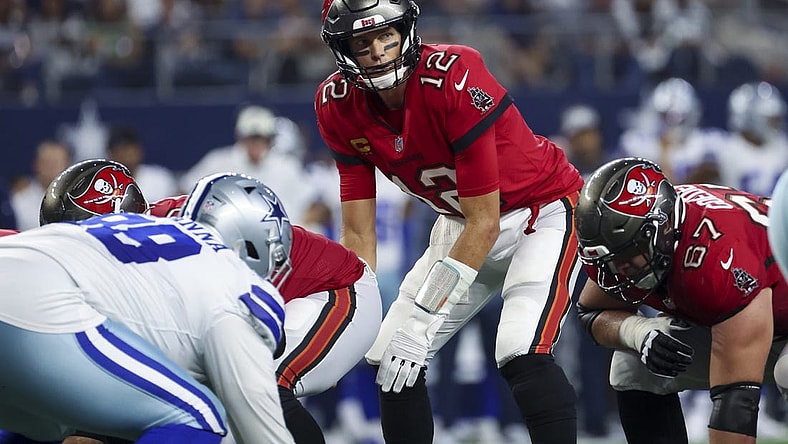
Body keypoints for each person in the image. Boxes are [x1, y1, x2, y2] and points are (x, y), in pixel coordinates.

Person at [317, 1, 585, 442]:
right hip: (460, 222)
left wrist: (422, 319)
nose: (380, 51)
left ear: (406, 30)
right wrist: (350, 310)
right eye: (363, 42)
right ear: (342, 48)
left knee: (521, 351)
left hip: (542, 211)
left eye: (387, 35)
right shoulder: (337, 105)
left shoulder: (454, 74)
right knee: (391, 359)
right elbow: (359, 233)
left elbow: (487, 222)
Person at [42, 160, 383, 444]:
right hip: (264, 302)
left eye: (78, 238)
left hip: (335, 290)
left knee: (256, 383)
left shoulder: (178, 243)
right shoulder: (127, 257)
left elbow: (244, 315)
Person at [0, 173, 295, 443]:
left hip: (20, 275)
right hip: (39, 301)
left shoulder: (158, 235)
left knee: (48, 427)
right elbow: (263, 429)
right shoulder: (240, 287)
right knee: (198, 416)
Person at [574, 156, 788, 444]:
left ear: (660, 230)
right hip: (759, 317)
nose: (619, 270)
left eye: (627, 255)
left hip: (764, 310)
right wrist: (639, 332)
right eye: (612, 259)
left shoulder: (718, 258)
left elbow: (736, 400)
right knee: (633, 365)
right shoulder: (633, 247)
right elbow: (590, 312)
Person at [179, 105, 316, 224]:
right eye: (251, 138)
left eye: (261, 138)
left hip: (279, 240)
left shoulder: (286, 166)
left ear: (269, 139)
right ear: (241, 137)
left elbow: (314, 205)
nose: (256, 144)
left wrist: (297, 227)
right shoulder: (219, 161)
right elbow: (182, 192)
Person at [718, 81, 788, 196]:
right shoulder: (726, 150)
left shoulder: (782, 146)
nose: (776, 124)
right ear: (750, 118)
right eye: (770, 119)